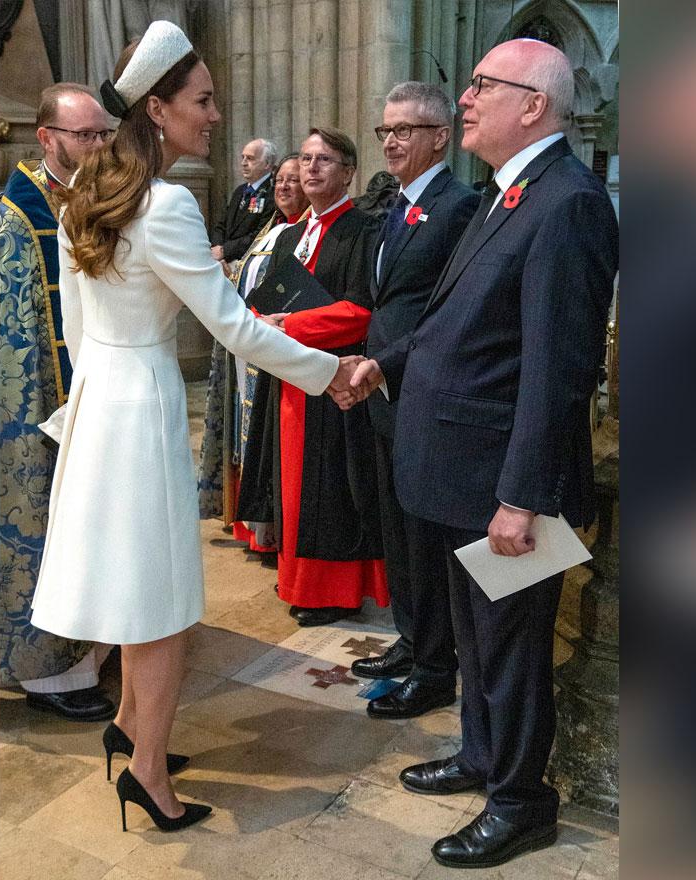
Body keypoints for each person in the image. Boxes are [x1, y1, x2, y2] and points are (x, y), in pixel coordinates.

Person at [27, 20, 362, 832]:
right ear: (158, 108)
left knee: (137, 584)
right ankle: (146, 772)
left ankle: (130, 729)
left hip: (104, 396)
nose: (214, 115)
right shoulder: (166, 201)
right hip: (139, 403)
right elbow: (237, 328)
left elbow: (73, 320)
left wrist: (80, 413)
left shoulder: (88, 192)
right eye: (202, 101)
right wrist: (331, 375)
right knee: (164, 600)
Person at [341, 40, 618, 867]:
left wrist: (522, 497)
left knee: (511, 648)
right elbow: (452, 323)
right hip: (458, 470)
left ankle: (522, 800)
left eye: (482, 87)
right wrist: (379, 363)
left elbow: (557, 368)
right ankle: (482, 756)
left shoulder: (566, 203)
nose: (464, 99)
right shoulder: (509, 194)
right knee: (473, 636)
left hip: (504, 480)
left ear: (534, 103)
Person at [352, 82, 480, 721]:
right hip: (383, 387)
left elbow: (445, 312)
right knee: (395, 526)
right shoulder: (396, 205)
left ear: (440, 136)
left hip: (420, 388)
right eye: (385, 130)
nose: (392, 140)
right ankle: (411, 638)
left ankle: (435, 666)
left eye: (406, 129)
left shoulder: (459, 207)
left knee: (425, 535)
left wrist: (386, 362)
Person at [0, 83, 118, 722]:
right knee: (50, 528)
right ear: (47, 139)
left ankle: (96, 645)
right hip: (44, 405)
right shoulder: (14, 218)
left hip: (103, 392)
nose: (100, 145)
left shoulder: (109, 195)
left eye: (105, 134)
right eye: (86, 135)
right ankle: (52, 672)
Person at [238, 126, 389, 628]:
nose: (311, 168)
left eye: (324, 160)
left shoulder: (362, 231)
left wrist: (290, 327)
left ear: (348, 171)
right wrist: (262, 324)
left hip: (335, 379)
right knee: (292, 486)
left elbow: (363, 310)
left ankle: (334, 592)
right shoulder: (291, 234)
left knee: (329, 489)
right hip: (290, 378)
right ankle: (297, 580)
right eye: (305, 159)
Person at [197, 154, 310, 557]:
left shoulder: (303, 234)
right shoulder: (269, 228)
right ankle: (250, 523)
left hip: (273, 347)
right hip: (245, 350)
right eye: (279, 180)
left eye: (293, 181)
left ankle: (268, 527)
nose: (283, 187)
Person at [209, 137, 278, 265]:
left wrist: (226, 250)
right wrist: (217, 247)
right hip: (223, 259)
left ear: (267, 164)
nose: (244, 163)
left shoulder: (273, 192)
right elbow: (221, 224)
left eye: (250, 158)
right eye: (243, 157)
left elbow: (261, 233)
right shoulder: (240, 190)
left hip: (248, 260)